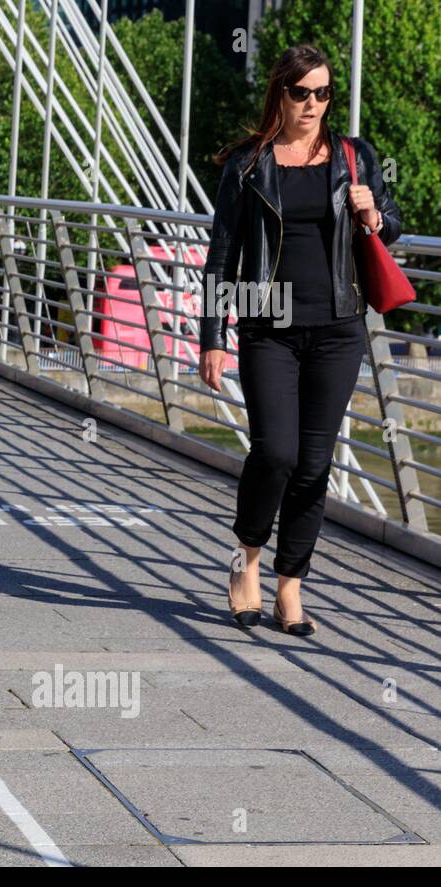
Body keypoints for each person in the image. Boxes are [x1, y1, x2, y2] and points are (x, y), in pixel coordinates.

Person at [199, 44, 402, 636]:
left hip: (339, 326)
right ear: (279, 94)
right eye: (300, 92)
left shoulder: (355, 157)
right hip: (268, 327)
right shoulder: (246, 164)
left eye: (322, 93)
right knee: (277, 453)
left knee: (314, 464)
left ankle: (291, 585)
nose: (312, 104)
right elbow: (222, 257)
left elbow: (395, 227)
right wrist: (213, 336)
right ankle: (247, 559)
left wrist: (376, 215)